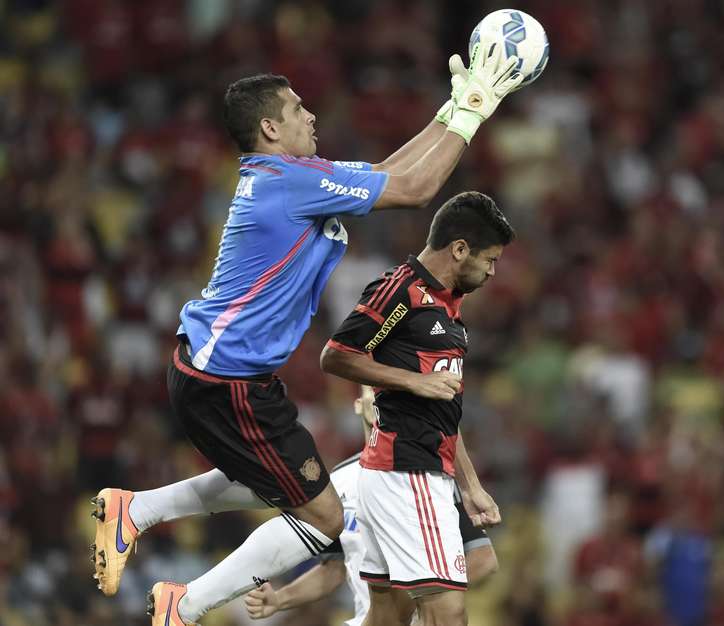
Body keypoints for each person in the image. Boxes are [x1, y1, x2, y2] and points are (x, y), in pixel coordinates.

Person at [90, 37, 523, 626]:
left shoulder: (294, 176)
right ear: (270, 128)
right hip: (228, 382)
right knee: (324, 516)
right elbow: (417, 191)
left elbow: (388, 173)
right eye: (297, 109)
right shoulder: (288, 184)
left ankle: (137, 515)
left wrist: (452, 111)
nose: (311, 114)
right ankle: (180, 606)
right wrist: (474, 113)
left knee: (291, 484)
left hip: (224, 375)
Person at [320, 190, 514, 626]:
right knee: (448, 612)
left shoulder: (450, 308)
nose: (492, 271)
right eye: (490, 259)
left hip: (416, 472)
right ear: (460, 249)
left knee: (385, 617)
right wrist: (415, 381)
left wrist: (470, 485)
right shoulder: (402, 289)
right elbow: (336, 354)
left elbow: (443, 409)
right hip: (406, 473)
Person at [243, 385, 499, 625]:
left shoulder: (433, 473)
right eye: (376, 393)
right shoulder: (338, 480)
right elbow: (333, 569)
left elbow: (482, 560)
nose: (383, 401)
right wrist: (280, 599)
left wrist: (426, 597)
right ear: (360, 405)